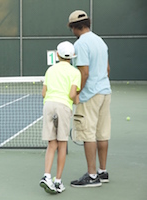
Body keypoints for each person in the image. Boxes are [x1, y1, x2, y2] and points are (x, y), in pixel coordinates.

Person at [68, 10, 112, 187]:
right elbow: (107, 69)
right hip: (105, 92)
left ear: (73, 27)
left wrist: (77, 93)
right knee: (102, 133)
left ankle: (92, 176)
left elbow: (84, 73)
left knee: (88, 134)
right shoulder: (100, 41)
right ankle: (102, 171)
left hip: (90, 95)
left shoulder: (80, 44)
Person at [39, 41, 81, 194]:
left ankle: (46, 176)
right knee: (62, 144)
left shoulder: (50, 70)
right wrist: (78, 100)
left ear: (57, 55)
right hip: (63, 107)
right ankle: (58, 181)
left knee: (52, 144)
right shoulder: (75, 73)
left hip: (48, 105)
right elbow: (72, 95)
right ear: (72, 57)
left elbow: (44, 93)